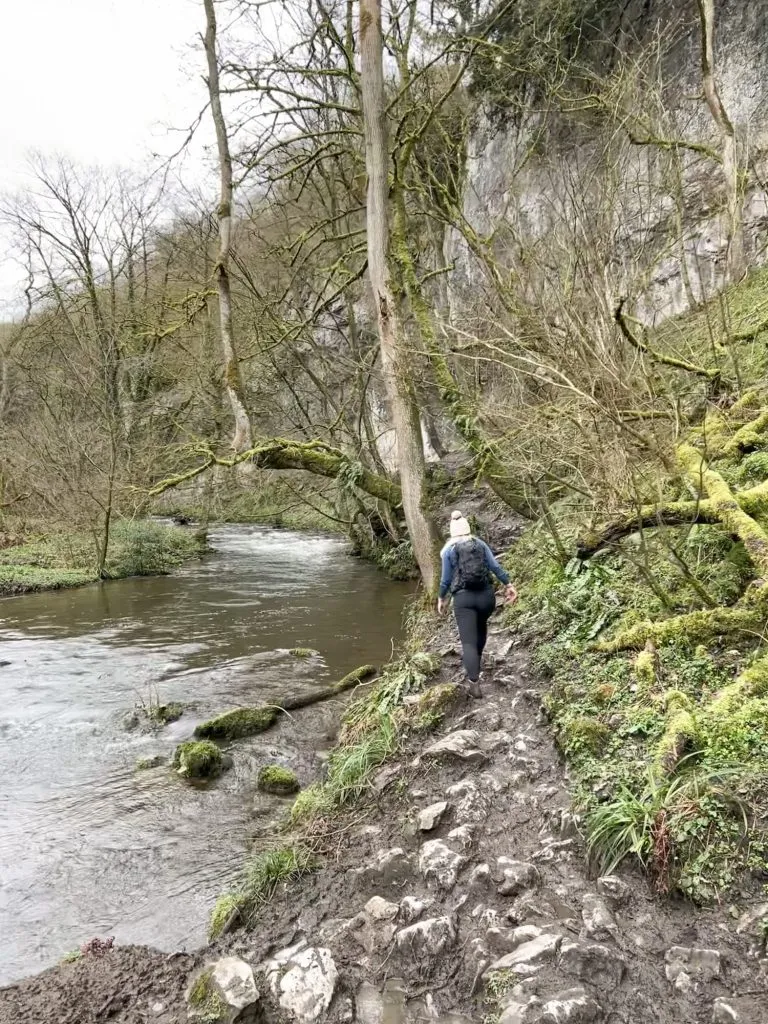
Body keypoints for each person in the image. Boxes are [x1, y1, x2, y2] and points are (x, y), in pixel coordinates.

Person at [437, 510, 517, 698]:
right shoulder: (479, 544)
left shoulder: (449, 550)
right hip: (486, 597)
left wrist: (442, 598)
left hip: (463, 600)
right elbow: (495, 567)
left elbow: (445, 581)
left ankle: (474, 683)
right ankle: (477, 661)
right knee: (480, 628)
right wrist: (509, 584)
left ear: (452, 532)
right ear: (468, 528)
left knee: (468, 642)